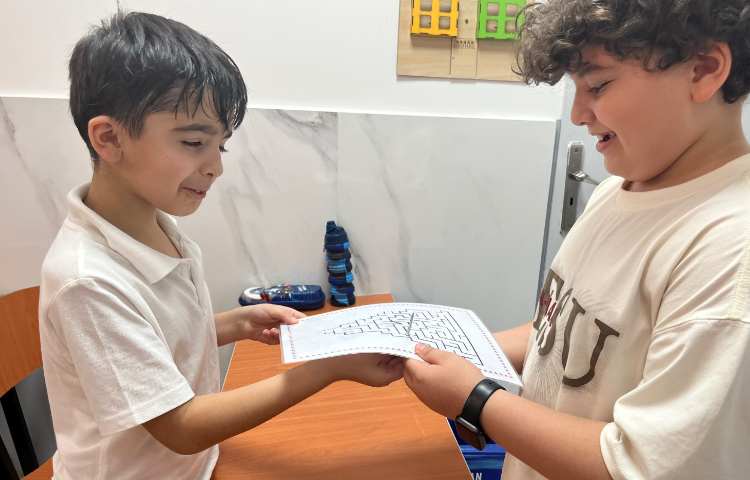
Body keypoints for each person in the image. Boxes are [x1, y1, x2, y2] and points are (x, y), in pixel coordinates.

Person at [39, 11, 403, 479]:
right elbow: (181, 427)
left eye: (221, 146)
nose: (216, 167)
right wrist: (325, 368)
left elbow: (158, 340)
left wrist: (238, 323)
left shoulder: (157, 226)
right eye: (194, 142)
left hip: (196, 466)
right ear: (109, 138)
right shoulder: (86, 280)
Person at [403, 1, 750, 479]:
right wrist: (451, 349)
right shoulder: (617, 192)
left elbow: (633, 465)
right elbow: (560, 334)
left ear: (705, 70)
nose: (578, 114)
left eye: (598, 85)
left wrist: (476, 399)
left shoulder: (729, 250)